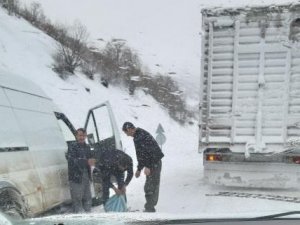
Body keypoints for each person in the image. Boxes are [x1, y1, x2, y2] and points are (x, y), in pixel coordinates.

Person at [122, 122, 164, 212]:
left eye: (126, 133)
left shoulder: (141, 136)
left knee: (151, 186)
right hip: (152, 162)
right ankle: (150, 207)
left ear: (129, 129)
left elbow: (149, 151)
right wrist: (139, 169)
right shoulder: (137, 136)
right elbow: (141, 155)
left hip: (154, 162)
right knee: (150, 186)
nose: (127, 135)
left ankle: (150, 208)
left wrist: (148, 166)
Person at [66, 128, 95, 213]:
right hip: (75, 177)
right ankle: (79, 218)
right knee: (77, 199)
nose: (81, 137)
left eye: (83, 135)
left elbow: (91, 159)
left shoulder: (87, 147)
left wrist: (93, 161)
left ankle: (88, 216)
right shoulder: (72, 147)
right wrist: (86, 161)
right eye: (79, 135)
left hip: (86, 175)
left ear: (85, 136)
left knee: (88, 197)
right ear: (76, 136)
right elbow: (72, 160)